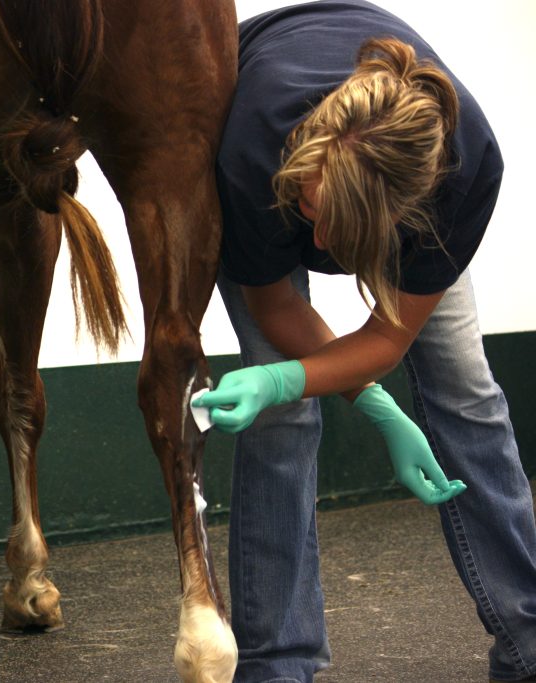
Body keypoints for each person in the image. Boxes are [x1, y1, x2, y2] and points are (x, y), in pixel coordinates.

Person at [192, 1, 536, 681]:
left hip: (405, 189)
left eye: (338, 234)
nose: (318, 247)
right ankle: (279, 662)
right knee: (281, 409)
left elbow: (388, 334)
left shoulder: (464, 175)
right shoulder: (254, 149)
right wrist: (334, 393)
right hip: (263, 155)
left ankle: (529, 637)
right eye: (314, 217)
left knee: (465, 387)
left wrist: (374, 393)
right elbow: (277, 306)